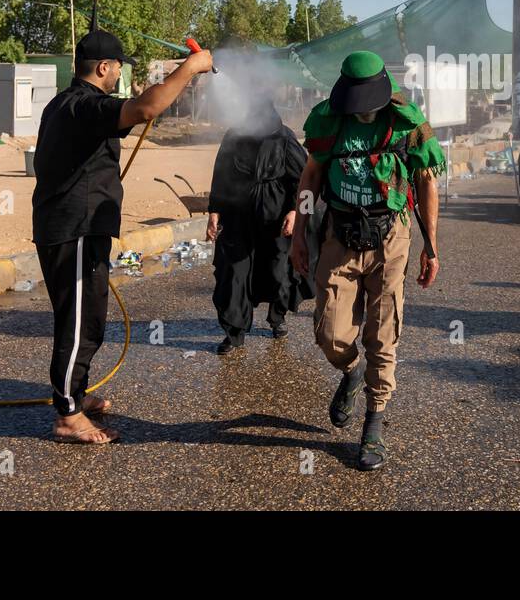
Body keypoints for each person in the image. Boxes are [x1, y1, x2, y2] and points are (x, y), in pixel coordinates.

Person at [32, 28, 213, 444]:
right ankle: (67, 414)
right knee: (79, 322)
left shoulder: (68, 103)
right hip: (74, 228)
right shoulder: (83, 106)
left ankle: (75, 393)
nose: (118, 74)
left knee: (85, 316)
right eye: (116, 67)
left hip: (77, 226)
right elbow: (147, 108)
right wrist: (192, 66)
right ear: (102, 67)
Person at [290, 51, 443, 471]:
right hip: (340, 234)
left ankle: (373, 423)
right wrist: (300, 234)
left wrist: (431, 245)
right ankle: (352, 370)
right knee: (329, 333)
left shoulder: (409, 124)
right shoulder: (328, 119)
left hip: (391, 236)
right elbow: (310, 179)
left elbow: (427, 184)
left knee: (382, 333)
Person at [205, 95, 311, 354]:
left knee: (278, 271)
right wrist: (214, 211)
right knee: (234, 273)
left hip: (276, 218)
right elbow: (221, 175)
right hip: (238, 215)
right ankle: (234, 332)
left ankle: (277, 317)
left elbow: (304, 179)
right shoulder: (234, 136)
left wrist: (295, 212)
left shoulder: (284, 137)